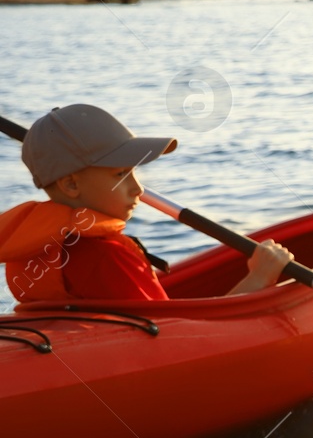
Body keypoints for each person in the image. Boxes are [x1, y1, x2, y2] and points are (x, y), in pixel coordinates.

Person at [0, 104, 291, 303]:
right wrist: (259, 278)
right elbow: (175, 340)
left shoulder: (40, 249)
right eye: (121, 173)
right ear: (71, 184)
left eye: (134, 171)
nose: (137, 189)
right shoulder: (107, 257)